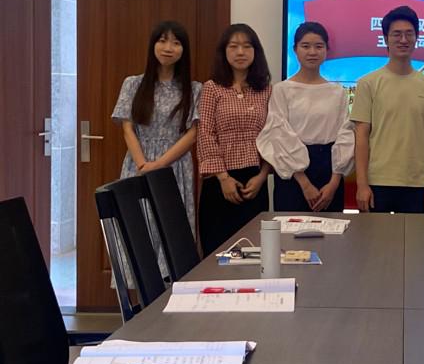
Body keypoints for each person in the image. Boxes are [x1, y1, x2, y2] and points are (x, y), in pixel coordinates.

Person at [111, 20, 201, 283]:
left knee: (171, 231)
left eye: (176, 42)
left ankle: (172, 300)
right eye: (162, 41)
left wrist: (160, 164)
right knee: (139, 229)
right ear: (153, 45)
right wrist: (143, 165)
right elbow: (127, 128)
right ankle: (143, 298)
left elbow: (193, 133)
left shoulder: (195, 88)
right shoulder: (133, 84)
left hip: (175, 168)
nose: (168, 48)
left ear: (184, 49)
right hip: (138, 165)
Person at [351, 6, 424, 213]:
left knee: (415, 235)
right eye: (396, 34)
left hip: (417, 184)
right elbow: (361, 137)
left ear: (417, 38)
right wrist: (362, 184)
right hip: (377, 182)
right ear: (386, 39)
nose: (403, 40)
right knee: (375, 235)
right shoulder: (368, 83)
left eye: (409, 34)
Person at [257, 22, 354, 212]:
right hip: (293, 173)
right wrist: (305, 184)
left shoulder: (337, 92)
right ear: (295, 49)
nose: (312, 52)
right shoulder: (281, 90)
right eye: (305, 46)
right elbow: (279, 134)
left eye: (319, 46)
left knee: (331, 228)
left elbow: (345, 136)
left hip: (329, 170)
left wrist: (334, 183)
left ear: (327, 50)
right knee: (290, 228)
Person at [197, 23, 272, 254]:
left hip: (255, 181)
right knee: (218, 253)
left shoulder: (266, 90)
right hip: (219, 182)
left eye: (247, 46)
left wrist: (262, 176)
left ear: (256, 51)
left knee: (254, 252)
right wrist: (223, 178)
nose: (241, 52)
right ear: (224, 51)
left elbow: (273, 136)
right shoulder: (212, 88)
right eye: (234, 46)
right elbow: (205, 133)